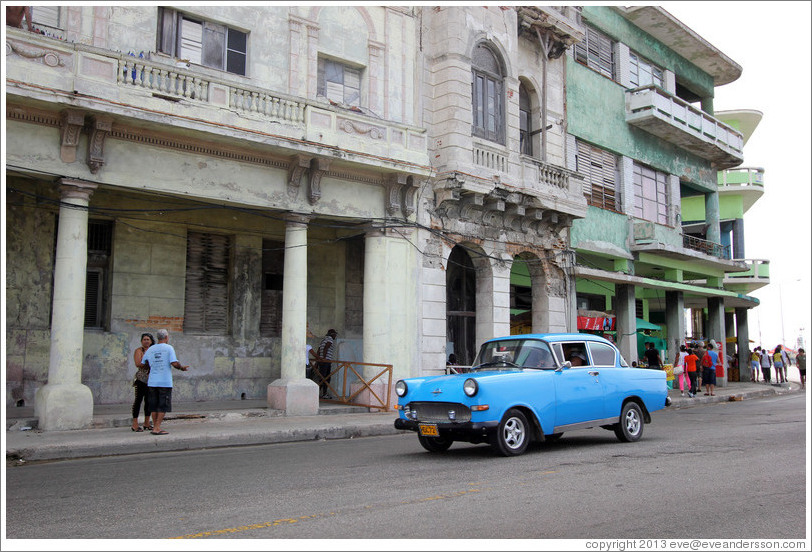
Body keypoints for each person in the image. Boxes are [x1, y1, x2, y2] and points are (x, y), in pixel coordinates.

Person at [141, 329, 189, 435]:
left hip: (152, 381)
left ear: (158, 338)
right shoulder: (169, 348)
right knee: (162, 405)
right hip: (164, 381)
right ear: (166, 337)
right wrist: (182, 368)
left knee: (153, 405)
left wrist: (153, 367)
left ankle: (155, 426)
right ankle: (157, 428)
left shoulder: (150, 349)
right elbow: (174, 363)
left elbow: (144, 362)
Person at [131, 332, 155, 432]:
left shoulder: (153, 350)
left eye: (147, 339)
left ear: (151, 341)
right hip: (141, 379)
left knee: (149, 401)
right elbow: (138, 363)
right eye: (144, 339)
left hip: (151, 379)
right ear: (141, 341)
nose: (146, 341)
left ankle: (147, 422)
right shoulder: (139, 350)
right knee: (138, 400)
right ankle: (135, 423)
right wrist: (148, 363)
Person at [316, 329, 337, 399]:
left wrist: (318, 359)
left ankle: (317, 393)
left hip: (321, 361)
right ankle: (324, 394)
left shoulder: (323, 340)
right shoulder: (330, 339)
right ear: (332, 334)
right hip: (326, 361)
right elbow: (326, 348)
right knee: (326, 378)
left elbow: (319, 351)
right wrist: (324, 358)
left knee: (322, 377)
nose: (335, 336)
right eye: (335, 334)